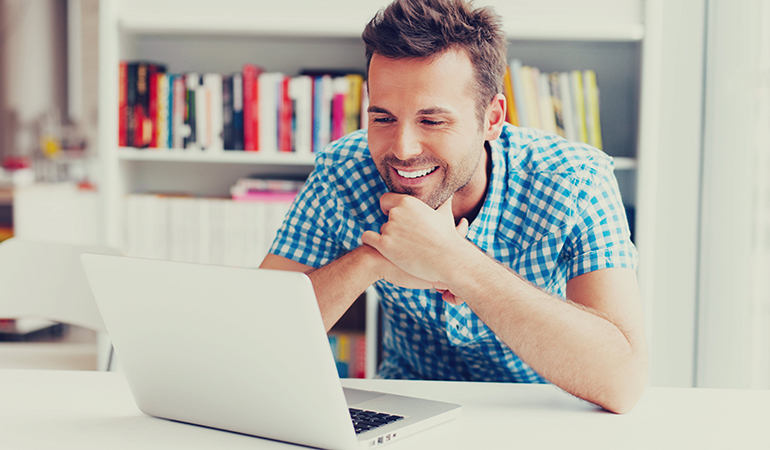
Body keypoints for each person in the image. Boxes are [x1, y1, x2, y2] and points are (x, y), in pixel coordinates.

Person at [261, 0, 647, 414]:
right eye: (383, 118)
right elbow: (255, 338)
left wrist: (453, 259)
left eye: (432, 121)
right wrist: (370, 261)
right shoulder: (344, 172)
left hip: (545, 411)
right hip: (405, 406)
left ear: (492, 118)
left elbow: (621, 382)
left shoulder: (576, 181)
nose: (403, 149)